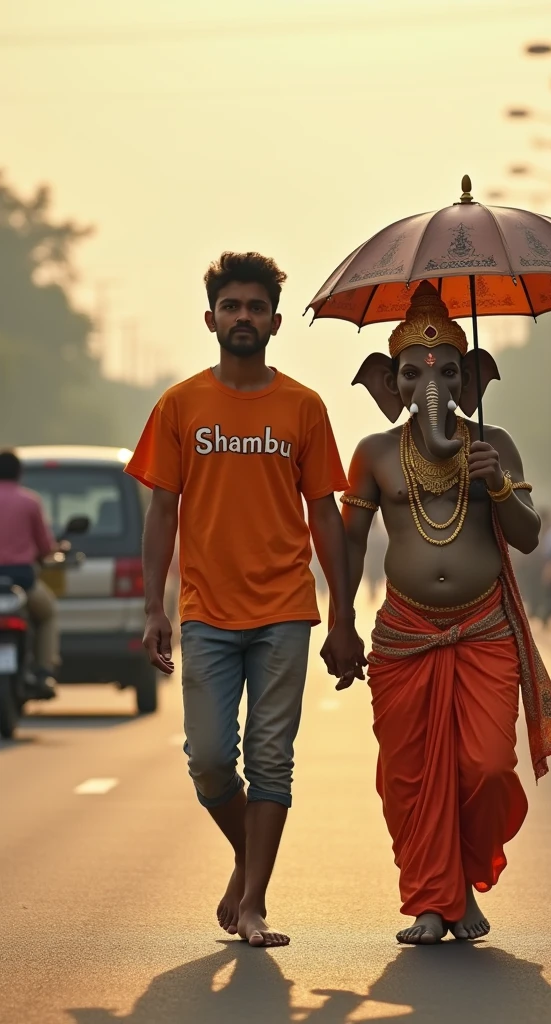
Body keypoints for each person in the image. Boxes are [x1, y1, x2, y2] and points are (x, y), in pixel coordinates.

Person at [125, 252, 365, 948]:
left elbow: (325, 514)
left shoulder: (303, 407)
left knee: (270, 758)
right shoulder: (179, 405)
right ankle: (247, 854)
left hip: (286, 609)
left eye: (256, 307)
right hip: (205, 610)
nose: (243, 317)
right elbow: (161, 511)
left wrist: (344, 615)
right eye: (231, 306)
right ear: (210, 319)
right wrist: (152, 607)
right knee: (207, 758)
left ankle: (254, 901)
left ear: (275, 322)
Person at [336, 282, 551, 945]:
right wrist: (338, 623)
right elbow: (349, 543)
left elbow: (526, 536)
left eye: (447, 370)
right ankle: (432, 901)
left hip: (483, 628)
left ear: (470, 378)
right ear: (391, 384)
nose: (431, 382)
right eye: (415, 373)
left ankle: (467, 873)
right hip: (404, 635)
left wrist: (495, 482)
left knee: (487, 766)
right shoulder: (375, 455)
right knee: (410, 775)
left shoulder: (493, 444)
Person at [0, 449, 59, 699]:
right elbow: (46, 548)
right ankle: (44, 670)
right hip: (22, 581)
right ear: (19, 473)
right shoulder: (30, 501)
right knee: (47, 614)